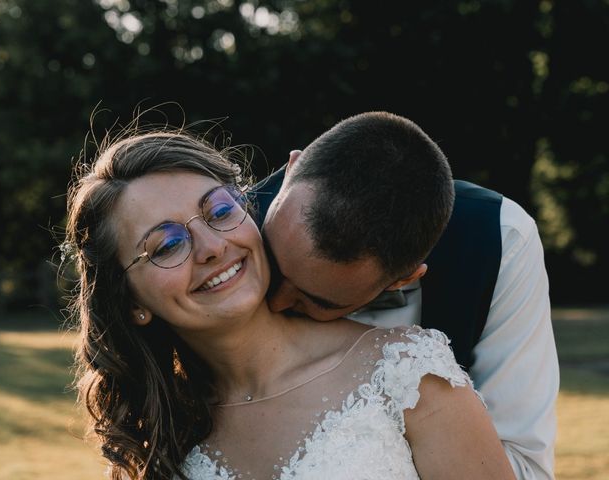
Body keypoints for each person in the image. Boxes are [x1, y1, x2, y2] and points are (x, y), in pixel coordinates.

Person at [61, 128, 516, 480]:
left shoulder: (407, 373)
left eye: (219, 211)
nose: (212, 247)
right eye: (166, 246)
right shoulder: (156, 436)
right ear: (131, 302)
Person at [255, 111, 558, 479]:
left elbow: (525, 465)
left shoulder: (499, 241)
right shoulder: (227, 228)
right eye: (272, 260)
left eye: (316, 301)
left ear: (403, 279)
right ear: (293, 167)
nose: (273, 303)